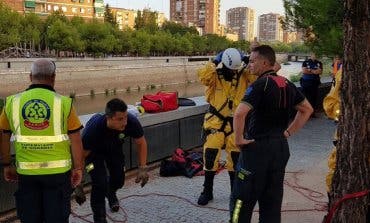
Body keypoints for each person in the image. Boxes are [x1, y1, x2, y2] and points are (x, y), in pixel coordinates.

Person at [230, 45, 313, 223]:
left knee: (240, 200)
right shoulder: (287, 84)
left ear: (265, 62)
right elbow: (307, 109)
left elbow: (239, 113)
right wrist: (288, 132)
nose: (249, 65)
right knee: (272, 203)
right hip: (280, 149)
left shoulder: (260, 84)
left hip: (256, 150)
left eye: (252, 61)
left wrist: (238, 140)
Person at [0, 59, 84, 222]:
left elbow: (3, 137)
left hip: (26, 174)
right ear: (53, 77)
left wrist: (6, 165)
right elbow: (76, 140)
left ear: (30, 77)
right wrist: (78, 169)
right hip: (58, 175)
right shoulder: (65, 103)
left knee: (30, 218)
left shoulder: (12, 102)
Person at [196, 48, 257, 205]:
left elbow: (259, 75)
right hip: (215, 120)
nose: (233, 72)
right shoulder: (215, 74)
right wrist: (215, 61)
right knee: (210, 155)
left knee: (236, 159)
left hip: (235, 123)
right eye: (231, 69)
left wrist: (249, 60)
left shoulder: (244, 74)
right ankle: (207, 191)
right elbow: (203, 76)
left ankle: (234, 192)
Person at [82, 98, 149, 223]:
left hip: (114, 149)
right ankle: (100, 219)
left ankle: (111, 192)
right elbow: (82, 154)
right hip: (93, 154)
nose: (124, 122)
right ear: (109, 117)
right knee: (99, 183)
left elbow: (141, 142)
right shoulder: (94, 129)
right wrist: (78, 181)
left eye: (125, 117)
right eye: (120, 119)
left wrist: (143, 168)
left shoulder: (131, 122)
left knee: (119, 180)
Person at [300, 53, 323, 117]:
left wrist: (310, 70)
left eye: (316, 55)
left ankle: (312, 113)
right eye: (314, 54)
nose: (315, 56)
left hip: (315, 82)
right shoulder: (305, 62)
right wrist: (314, 71)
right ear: (311, 55)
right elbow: (304, 71)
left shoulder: (319, 63)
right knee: (305, 98)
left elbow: (320, 72)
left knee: (314, 98)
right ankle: (304, 113)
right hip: (306, 82)